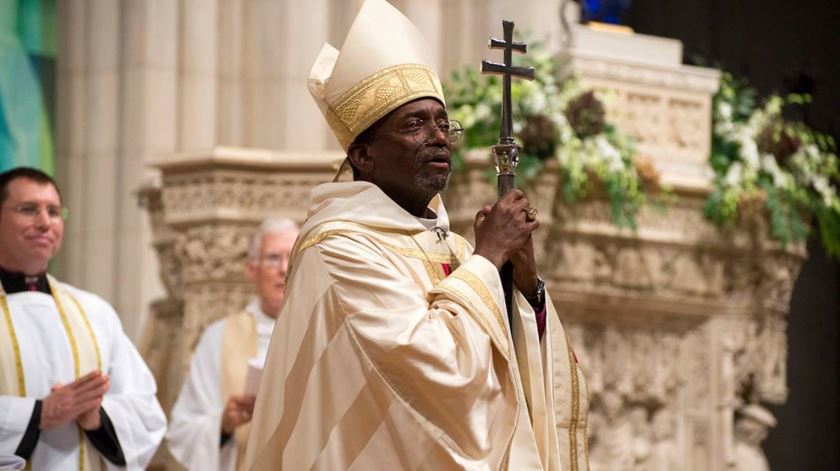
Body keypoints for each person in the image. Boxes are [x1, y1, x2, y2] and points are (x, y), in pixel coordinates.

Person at [244, 0, 589, 470]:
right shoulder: (338, 247)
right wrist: (488, 260)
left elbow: (509, 372)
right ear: (362, 156)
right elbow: (433, 369)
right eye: (414, 124)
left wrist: (525, 288)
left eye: (444, 123)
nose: (439, 136)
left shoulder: (455, 247)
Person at [0, 167, 166, 469]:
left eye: (53, 211)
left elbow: (147, 412)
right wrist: (38, 414)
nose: (44, 223)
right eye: (28, 210)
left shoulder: (94, 312)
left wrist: (98, 418)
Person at [167, 218, 300, 471]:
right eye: (273, 258)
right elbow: (183, 431)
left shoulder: (320, 332)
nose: (284, 268)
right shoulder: (218, 338)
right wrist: (224, 425)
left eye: (293, 258)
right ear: (251, 269)